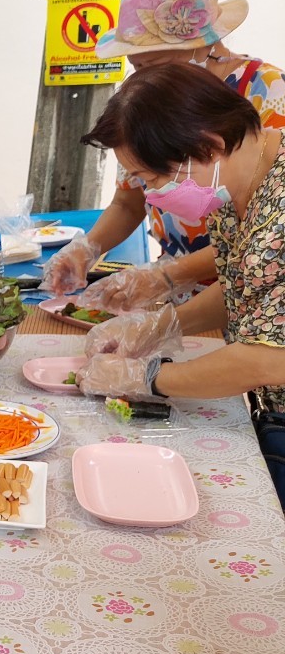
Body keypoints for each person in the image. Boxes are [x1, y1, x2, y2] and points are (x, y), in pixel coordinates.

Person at [73, 63, 285, 500]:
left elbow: (270, 358)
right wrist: (163, 325)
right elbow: (246, 288)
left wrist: (148, 377)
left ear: (208, 146)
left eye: (154, 179)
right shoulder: (235, 185)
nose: (152, 196)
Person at [42, 0, 285, 310]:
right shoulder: (143, 100)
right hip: (175, 288)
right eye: (136, 66)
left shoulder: (268, 91)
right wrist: (86, 249)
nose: (144, 77)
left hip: (250, 289)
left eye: (153, 64)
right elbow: (129, 200)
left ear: (201, 46)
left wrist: (168, 275)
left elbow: (267, 237)